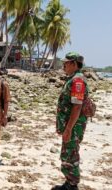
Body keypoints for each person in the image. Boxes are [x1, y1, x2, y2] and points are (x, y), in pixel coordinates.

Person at [52, 52, 88, 190]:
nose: (64, 65)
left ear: (74, 64)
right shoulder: (72, 79)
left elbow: (77, 106)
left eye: (66, 63)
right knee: (67, 153)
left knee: (70, 154)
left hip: (73, 126)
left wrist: (68, 129)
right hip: (71, 125)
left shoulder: (77, 80)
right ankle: (69, 183)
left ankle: (72, 185)